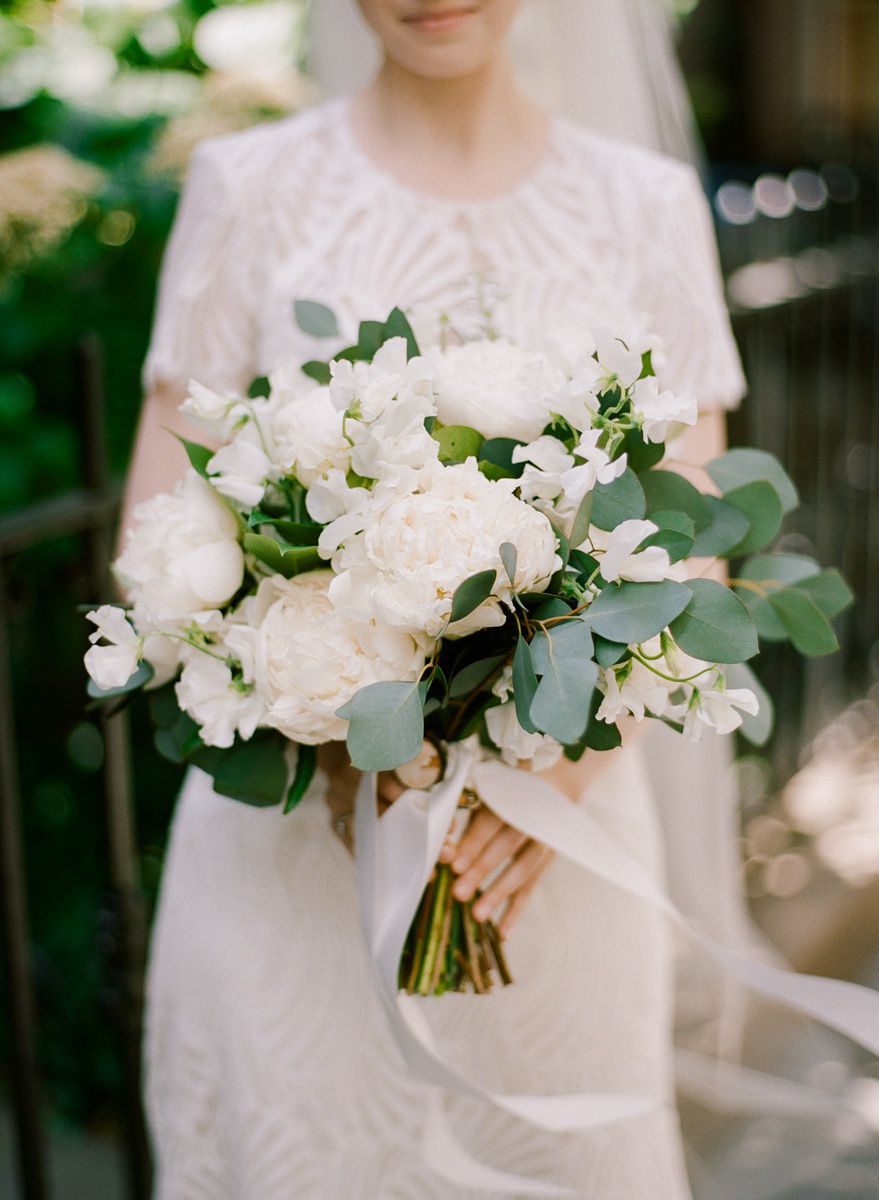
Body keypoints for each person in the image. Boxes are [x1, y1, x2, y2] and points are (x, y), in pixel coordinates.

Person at [126, 2, 749, 1195]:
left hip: (548, 848)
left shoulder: (647, 206)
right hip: (302, 836)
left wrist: (555, 777)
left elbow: (693, 544)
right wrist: (325, 714)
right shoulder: (246, 187)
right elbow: (159, 538)